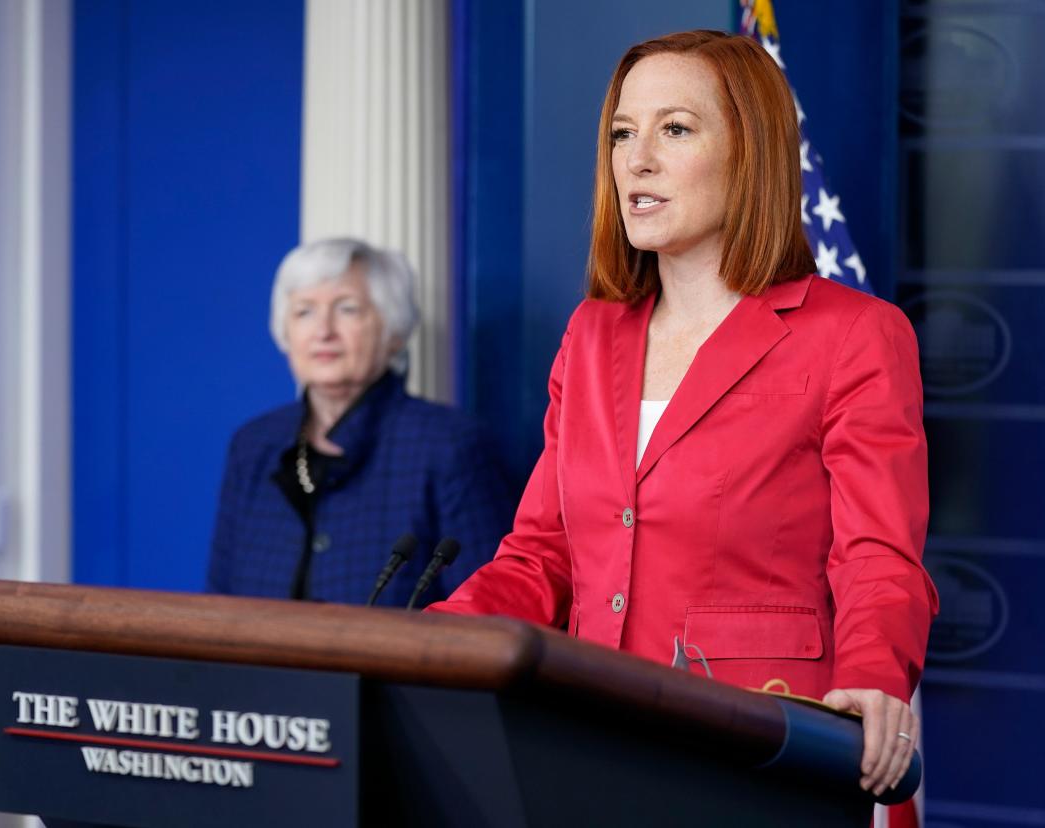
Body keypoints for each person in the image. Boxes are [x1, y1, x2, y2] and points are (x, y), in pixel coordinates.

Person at [427, 30, 938, 798]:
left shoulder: (854, 335)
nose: (637, 160)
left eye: (675, 128)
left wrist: (873, 674)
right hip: (591, 732)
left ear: (752, 151)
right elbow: (543, 555)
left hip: (761, 740)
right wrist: (430, 639)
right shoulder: (592, 335)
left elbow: (876, 553)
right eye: (622, 134)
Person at [207, 238, 514, 607]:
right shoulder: (254, 445)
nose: (323, 331)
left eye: (347, 309)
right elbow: (218, 606)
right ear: (285, 332)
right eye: (304, 312)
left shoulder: (450, 447)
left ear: (394, 333)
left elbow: (489, 615)